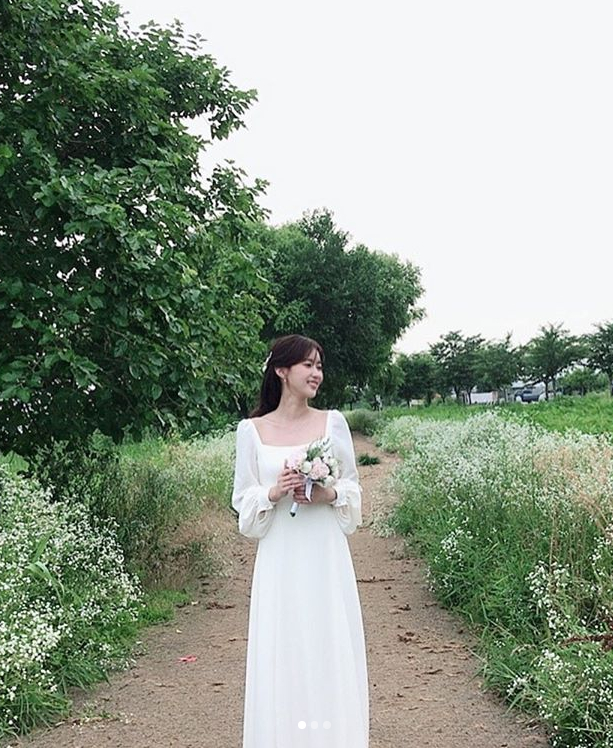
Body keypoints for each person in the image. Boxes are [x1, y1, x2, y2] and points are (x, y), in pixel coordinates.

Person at [231, 334, 369, 747]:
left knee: (327, 643)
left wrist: (326, 493)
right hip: (280, 555)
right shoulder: (251, 431)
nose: (317, 374)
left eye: (320, 366)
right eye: (308, 365)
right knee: (284, 647)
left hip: (323, 552)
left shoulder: (333, 423)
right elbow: (243, 502)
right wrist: (274, 492)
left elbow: (353, 491)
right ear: (281, 371)